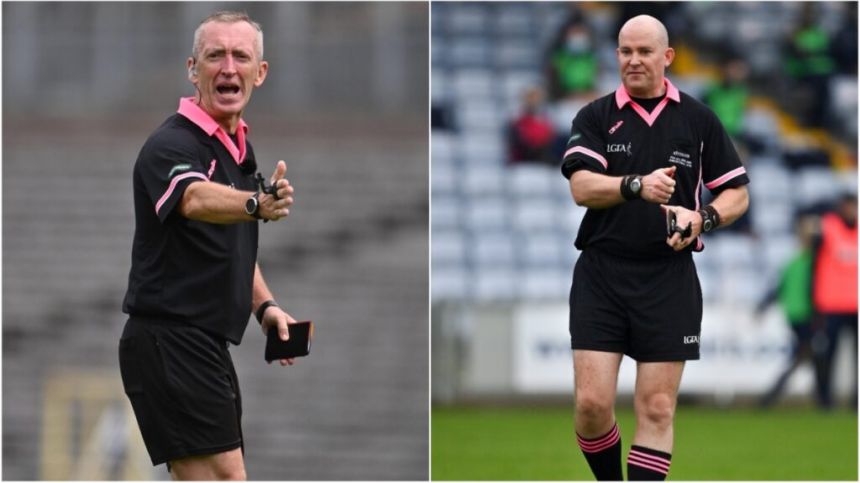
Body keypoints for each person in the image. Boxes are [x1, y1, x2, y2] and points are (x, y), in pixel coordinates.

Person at [560, 15, 750, 480]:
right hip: (603, 273)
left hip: (669, 277)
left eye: (644, 52)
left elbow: (738, 194)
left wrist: (702, 217)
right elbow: (582, 186)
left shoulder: (699, 119)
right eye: (625, 51)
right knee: (590, 405)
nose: (634, 60)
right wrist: (636, 185)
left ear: (667, 57)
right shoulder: (596, 115)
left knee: (659, 407)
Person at [119, 11, 298, 480]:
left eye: (241, 56)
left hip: (202, 343)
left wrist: (266, 307)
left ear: (260, 73)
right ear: (192, 68)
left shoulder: (238, 149)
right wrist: (255, 204)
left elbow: (232, 238)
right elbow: (194, 198)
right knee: (225, 477)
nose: (228, 67)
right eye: (215, 55)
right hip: (169, 338)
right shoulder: (172, 143)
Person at [754, 214, 822, 408]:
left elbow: (778, 288)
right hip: (806, 314)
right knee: (805, 355)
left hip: (794, 314)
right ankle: (772, 397)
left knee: (806, 355)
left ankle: (773, 397)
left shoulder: (793, 261)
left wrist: (763, 306)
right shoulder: (811, 262)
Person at [811, 192, 858, 409]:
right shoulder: (827, 228)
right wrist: (813, 300)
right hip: (830, 304)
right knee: (828, 355)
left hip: (855, 304)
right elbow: (814, 265)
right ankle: (825, 399)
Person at [507, 86, 559, 165]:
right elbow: (518, 142)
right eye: (531, 98)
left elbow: (550, 139)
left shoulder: (546, 120)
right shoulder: (518, 121)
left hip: (543, 157)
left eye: (536, 98)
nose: (534, 101)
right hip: (524, 158)